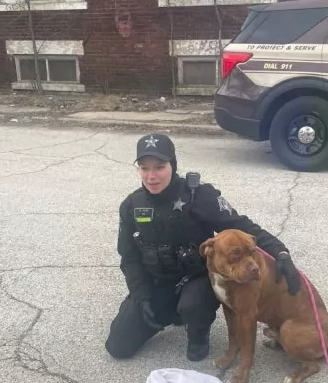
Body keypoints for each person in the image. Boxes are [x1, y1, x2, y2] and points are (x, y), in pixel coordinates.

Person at [106, 133, 300, 362]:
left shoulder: (199, 196)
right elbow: (129, 257)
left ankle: (197, 333)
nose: (151, 176)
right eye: (144, 168)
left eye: (159, 167)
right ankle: (169, 311)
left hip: (195, 281)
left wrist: (280, 252)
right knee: (118, 347)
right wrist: (141, 296)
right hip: (157, 282)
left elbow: (240, 225)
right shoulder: (131, 206)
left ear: (173, 165)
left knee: (193, 305)